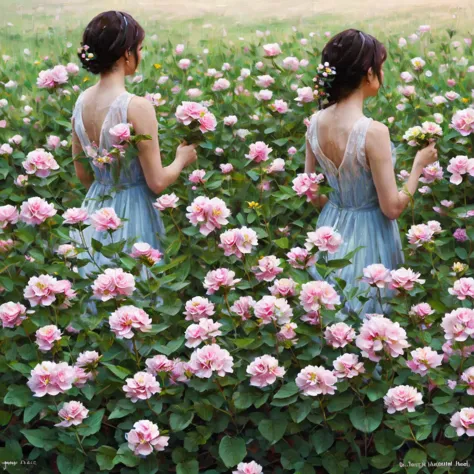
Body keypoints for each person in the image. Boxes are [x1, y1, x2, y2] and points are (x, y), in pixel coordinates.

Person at [304, 29, 438, 319]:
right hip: (371, 235)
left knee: (331, 319)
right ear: (368, 74)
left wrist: (342, 209)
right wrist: (419, 165)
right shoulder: (373, 132)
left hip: (329, 230)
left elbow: (312, 194)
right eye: (381, 68)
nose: (382, 74)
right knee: (372, 324)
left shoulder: (315, 122)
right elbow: (392, 208)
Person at [71, 11, 197, 279]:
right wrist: (182, 158)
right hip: (136, 211)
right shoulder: (136, 106)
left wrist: (108, 187)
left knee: (101, 291)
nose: (140, 55)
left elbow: (83, 174)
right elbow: (158, 182)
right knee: (137, 291)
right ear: (126, 54)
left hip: (96, 208)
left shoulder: (81, 102)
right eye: (139, 49)